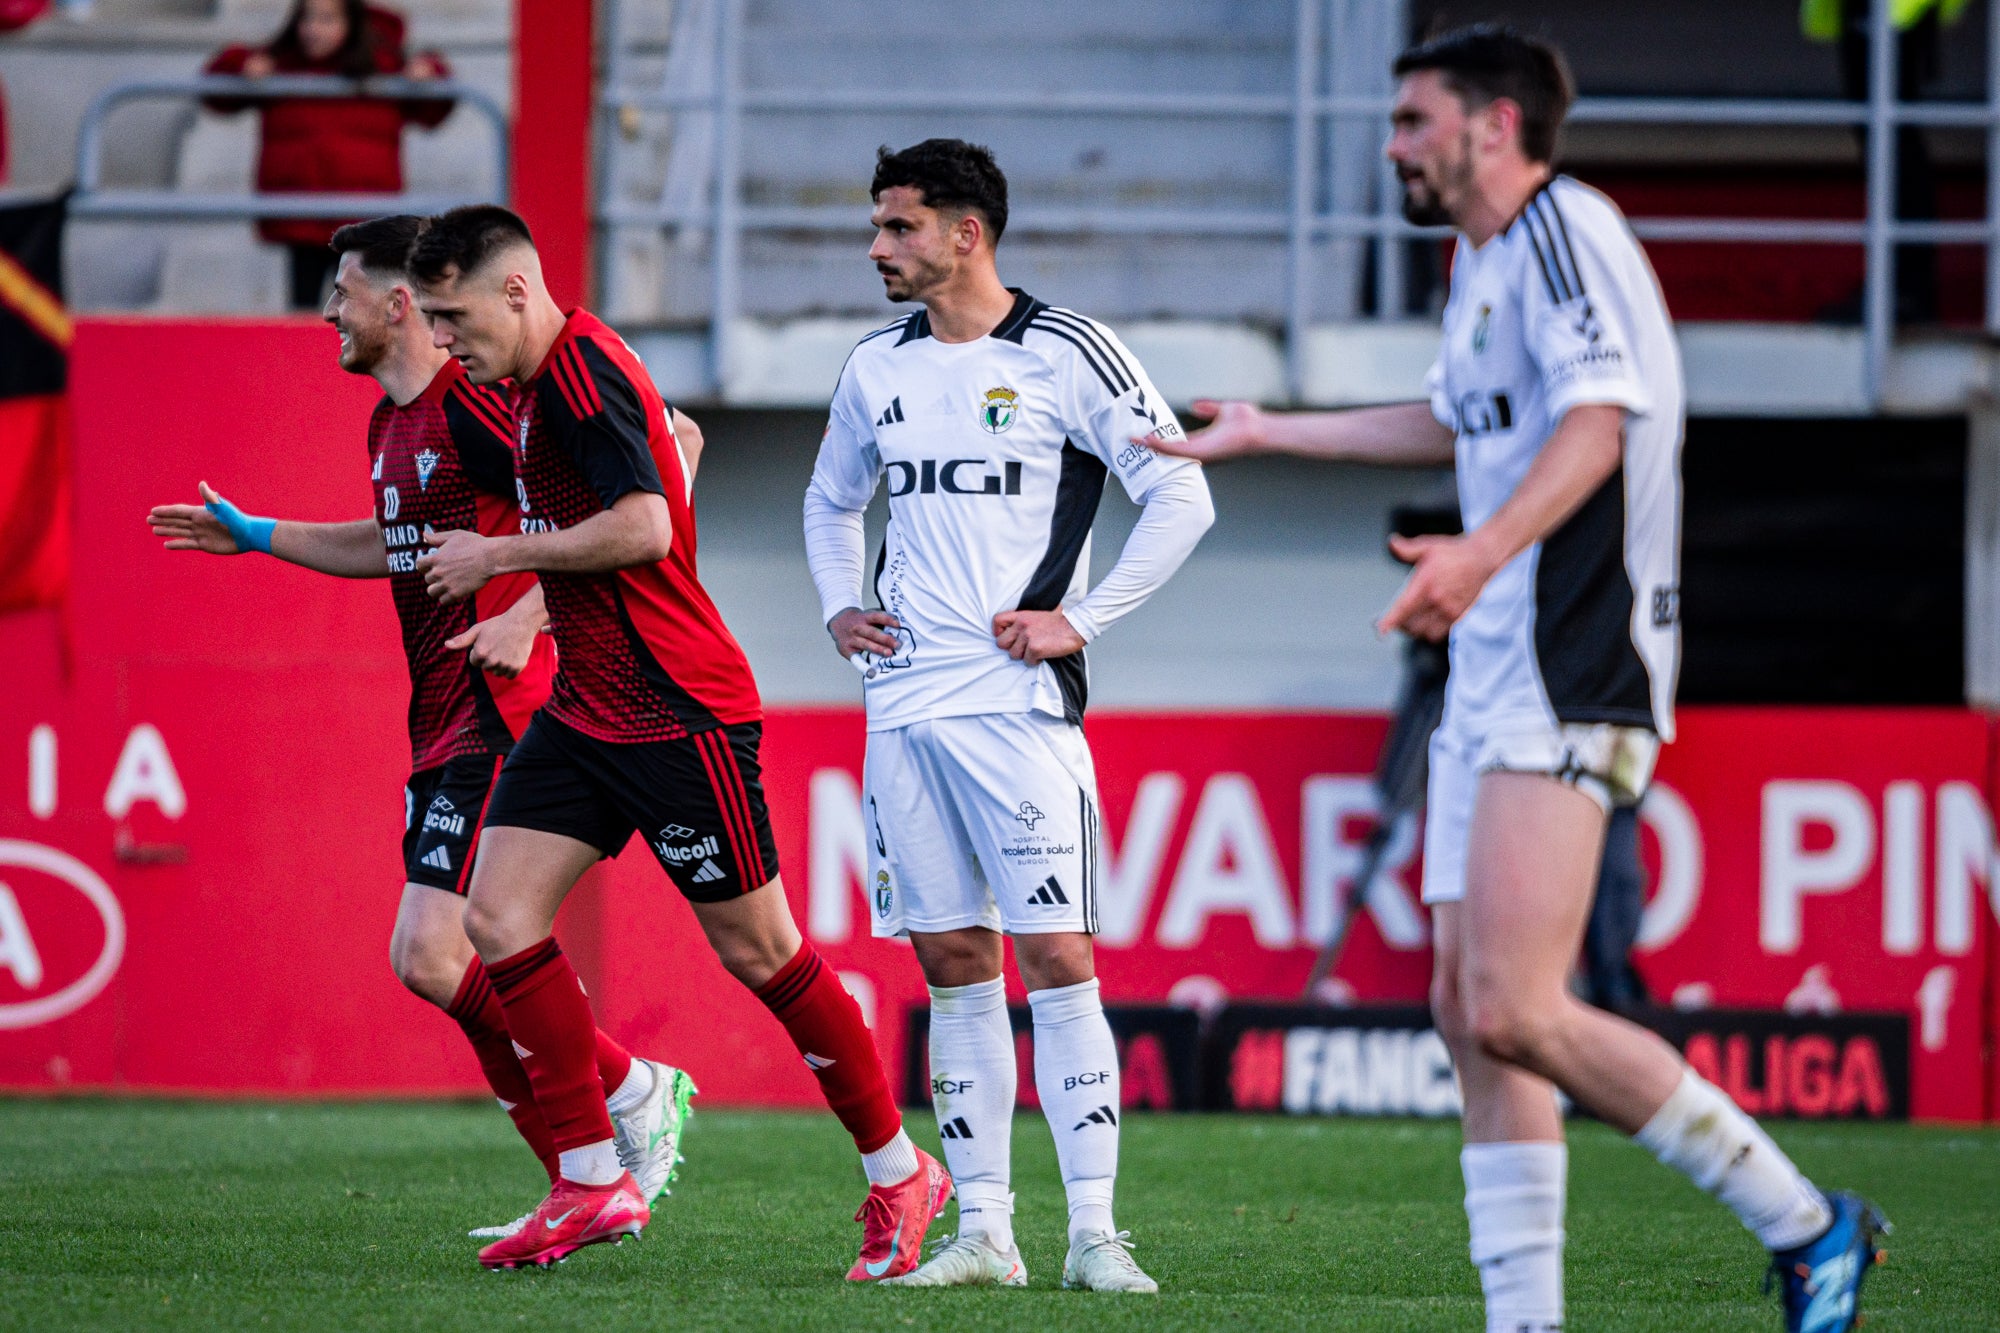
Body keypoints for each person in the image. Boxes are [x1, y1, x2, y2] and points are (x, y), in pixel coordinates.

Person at [1150, 26, 1884, 1333]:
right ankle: (1527, 1321)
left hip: (1572, 658)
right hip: (1492, 671)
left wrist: (1478, 554)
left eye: (1415, 121)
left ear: (1495, 125)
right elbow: (1453, 416)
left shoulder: (1565, 231)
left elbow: (1598, 423)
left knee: (1518, 1005)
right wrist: (1267, 431)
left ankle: (1810, 1221)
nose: (1393, 144)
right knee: (1464, 1010)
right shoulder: (1482, 258)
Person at [407, 203, 944, 1275]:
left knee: (762, 952)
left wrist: (501, 559)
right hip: (587, 710)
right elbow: (677, 440)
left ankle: (899, 1171)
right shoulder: (520, 388)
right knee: (496, 918)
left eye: (452, 314)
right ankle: (591, 1177)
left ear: (514, 289)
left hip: (677, 710)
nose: (444, 337)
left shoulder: (578, 373)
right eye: (425, 318)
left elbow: (648, 524)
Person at [144, 214, 694, 1243]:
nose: (325, 313)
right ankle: (590, 1159)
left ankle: (617, 1114)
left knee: (437, 951)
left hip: (511, 712)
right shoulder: (389, 424)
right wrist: (258, 535)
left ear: (395, 303)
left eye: (339, 291)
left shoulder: (480, 401)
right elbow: (393, 547)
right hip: (441, 719)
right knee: (432, 960)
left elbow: (676, 456)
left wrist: (529, 610)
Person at [803, 139, 1215, 1293]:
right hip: (904, 709)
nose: (877, 247)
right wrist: (841, 604)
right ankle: (983, 1231)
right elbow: (830, 498)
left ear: (964, 233)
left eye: (898, 227)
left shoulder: (1066, 351)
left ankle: (1094, 1232)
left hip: (1018, 709)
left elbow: (1181, 493)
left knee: (1056, 954)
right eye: (879, 226)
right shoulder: (874, 366)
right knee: (949, 960)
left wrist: (1081, 616)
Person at [203, 0, 453, 310]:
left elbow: (435, 110)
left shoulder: (384, 65)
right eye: (306, 19)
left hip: (363, 223)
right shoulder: (283, 64)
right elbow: (214, 91)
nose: (313, 29)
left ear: (352, 23)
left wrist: (431, 75)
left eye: (326, 19)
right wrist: (239, 67)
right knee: (303, 313)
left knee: (368, 317)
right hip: (302, 219)